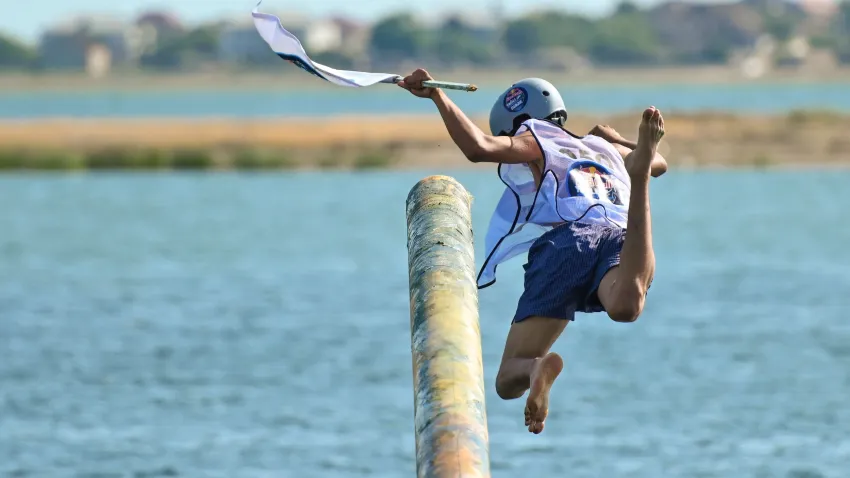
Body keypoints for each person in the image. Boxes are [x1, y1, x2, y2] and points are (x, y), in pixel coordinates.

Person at [398, 69, 668, 435]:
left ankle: (535, 368)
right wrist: (620, 142)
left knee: (508, 378)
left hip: (565, 244)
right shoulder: (605, 148)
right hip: (622, 237)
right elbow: (659, 163)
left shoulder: (536, 137)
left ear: (518, 124)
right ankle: (638, 186)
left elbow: (478, 147)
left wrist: (438, 97)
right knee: (626, 306)